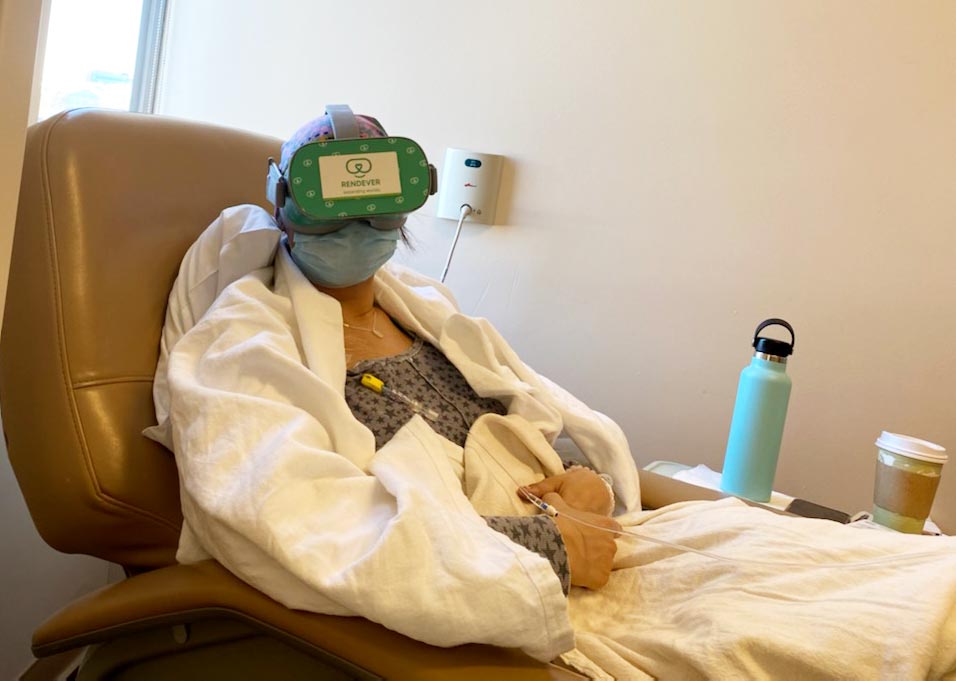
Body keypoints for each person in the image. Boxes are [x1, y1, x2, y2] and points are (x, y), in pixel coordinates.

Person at [152, 110, 956, 680]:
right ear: (289, 208)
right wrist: (550, 545)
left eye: (378, 210)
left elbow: (530, 418)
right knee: (872, 636)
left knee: (919, 579)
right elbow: (301, 522)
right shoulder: (243, 344)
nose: (359, 230)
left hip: (612, 546)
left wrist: (585, 479)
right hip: (528, 584)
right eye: (338, 211)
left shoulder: (431, 313)